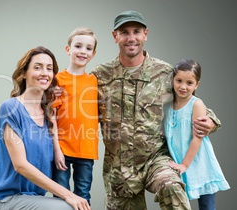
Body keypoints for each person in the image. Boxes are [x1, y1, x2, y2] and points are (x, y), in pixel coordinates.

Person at [90, 11, 221, 209]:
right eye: (124, 32)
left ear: (146, 34)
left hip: (156, 160)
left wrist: (210, 120)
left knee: (172, 187)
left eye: (137, 31)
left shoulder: (165, 73)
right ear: (115, 36)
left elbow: (190, 100)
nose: (131, 38)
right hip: (119, 169)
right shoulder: (100, 76)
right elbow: (73, 101)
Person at [0, 46, 90, 210]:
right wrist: (69, 195)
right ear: (24, 73)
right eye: (37, 67)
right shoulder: (11, 108)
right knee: (68, 208)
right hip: (4, 200)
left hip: (34, 199)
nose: (44, 73)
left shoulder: (49, 116)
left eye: (49, 68)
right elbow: (20, 165)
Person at [163, 59, 229, 210]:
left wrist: (184, 165)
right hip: (179, 158)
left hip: (198, 162)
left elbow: (197, 138)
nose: (183, 87)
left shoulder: (196, 104)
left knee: (206, 204)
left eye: (189, 83)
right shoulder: (167, 105)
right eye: (179, 81)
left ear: (197, 85)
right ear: (172, 80)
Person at [52, 27, 99, 205]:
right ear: (68, 49)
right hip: (62, 149)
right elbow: (51, 118)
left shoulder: (95, 81)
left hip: (86, 150)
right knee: (60, 198)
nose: (82, 51)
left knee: (83, 197)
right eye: (78, 46)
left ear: (93, 54)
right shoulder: (57, 80)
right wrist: (56, 149)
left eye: (88, 48)